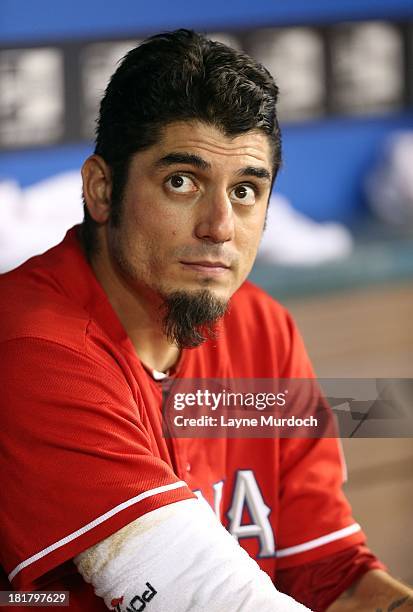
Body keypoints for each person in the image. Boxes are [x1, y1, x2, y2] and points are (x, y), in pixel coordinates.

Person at [0, 29, 411, 612]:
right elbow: (202, 597)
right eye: (181, 182)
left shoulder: (263, 330)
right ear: (101, 189)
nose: (219, 226)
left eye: (245, 190)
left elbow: (328, 576)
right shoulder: (32, 348)